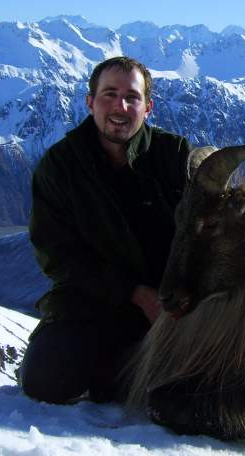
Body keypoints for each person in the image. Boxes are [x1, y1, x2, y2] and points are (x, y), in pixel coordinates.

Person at [19, 56, 192, 404]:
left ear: (148, 107)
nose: (121, 106)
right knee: (45, 380)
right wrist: (132, 292)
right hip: (94, 299)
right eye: (109, 95)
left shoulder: (175, 155)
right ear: (90, 102)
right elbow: (57, 256)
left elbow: (202, 236)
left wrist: (178, 295)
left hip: (171, 304)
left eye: (132, 97)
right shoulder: (60, 165)